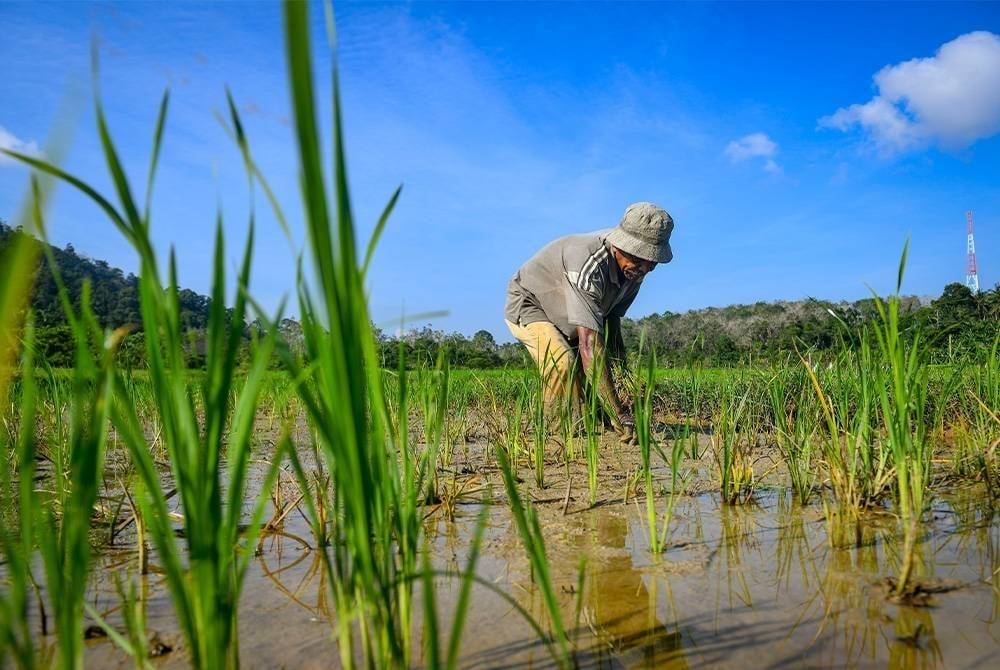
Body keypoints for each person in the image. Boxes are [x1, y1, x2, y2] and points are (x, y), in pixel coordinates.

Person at [504, 202, 674, 443]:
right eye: (639, 258)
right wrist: (620, 413)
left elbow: (611, 321)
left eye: (651, 261)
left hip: (571, 315)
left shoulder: (634, 272)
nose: (645, 268)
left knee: (588, 391)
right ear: (619, 245)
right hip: (532, 303)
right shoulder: (588, 263)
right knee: (562, 364)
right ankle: (555, 439)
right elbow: (591, 345)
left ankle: (591, 423)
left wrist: (621, 374)